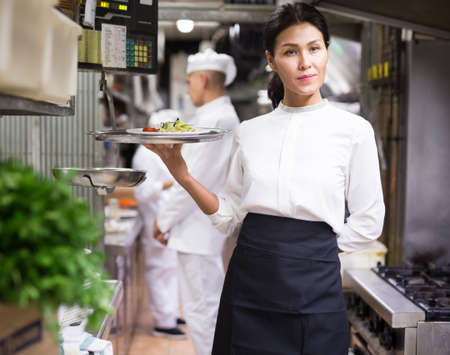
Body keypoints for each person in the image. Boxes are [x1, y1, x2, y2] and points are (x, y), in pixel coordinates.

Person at [145, 3, 385, 354]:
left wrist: (311, 250)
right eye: (291, 51)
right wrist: (182, 175)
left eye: (314, 48)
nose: (305, 63)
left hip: (315, 284)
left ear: (326, 53)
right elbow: (228, 216)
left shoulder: (354, 131)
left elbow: (368, 221)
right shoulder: (250, 132)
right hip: (250, 280)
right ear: (271, 60)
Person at [152, 49, 240, 355]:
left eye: (189, 82)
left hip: (198, 230)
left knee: (203, 313)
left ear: (203, 80)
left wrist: (163, 221)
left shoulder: (217, 118)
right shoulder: (214, 116)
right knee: (205, 310)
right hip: (200, 229)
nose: (187, 89)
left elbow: (188, 180)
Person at [131, 110, 186, 339]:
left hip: (167, 219)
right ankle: (163, 322)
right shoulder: (144, 155)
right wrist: (166, 185)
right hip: (155, 218)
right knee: (159, 268)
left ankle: (171, 313)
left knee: (170, 268)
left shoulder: (160, 152)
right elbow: (141, 192)